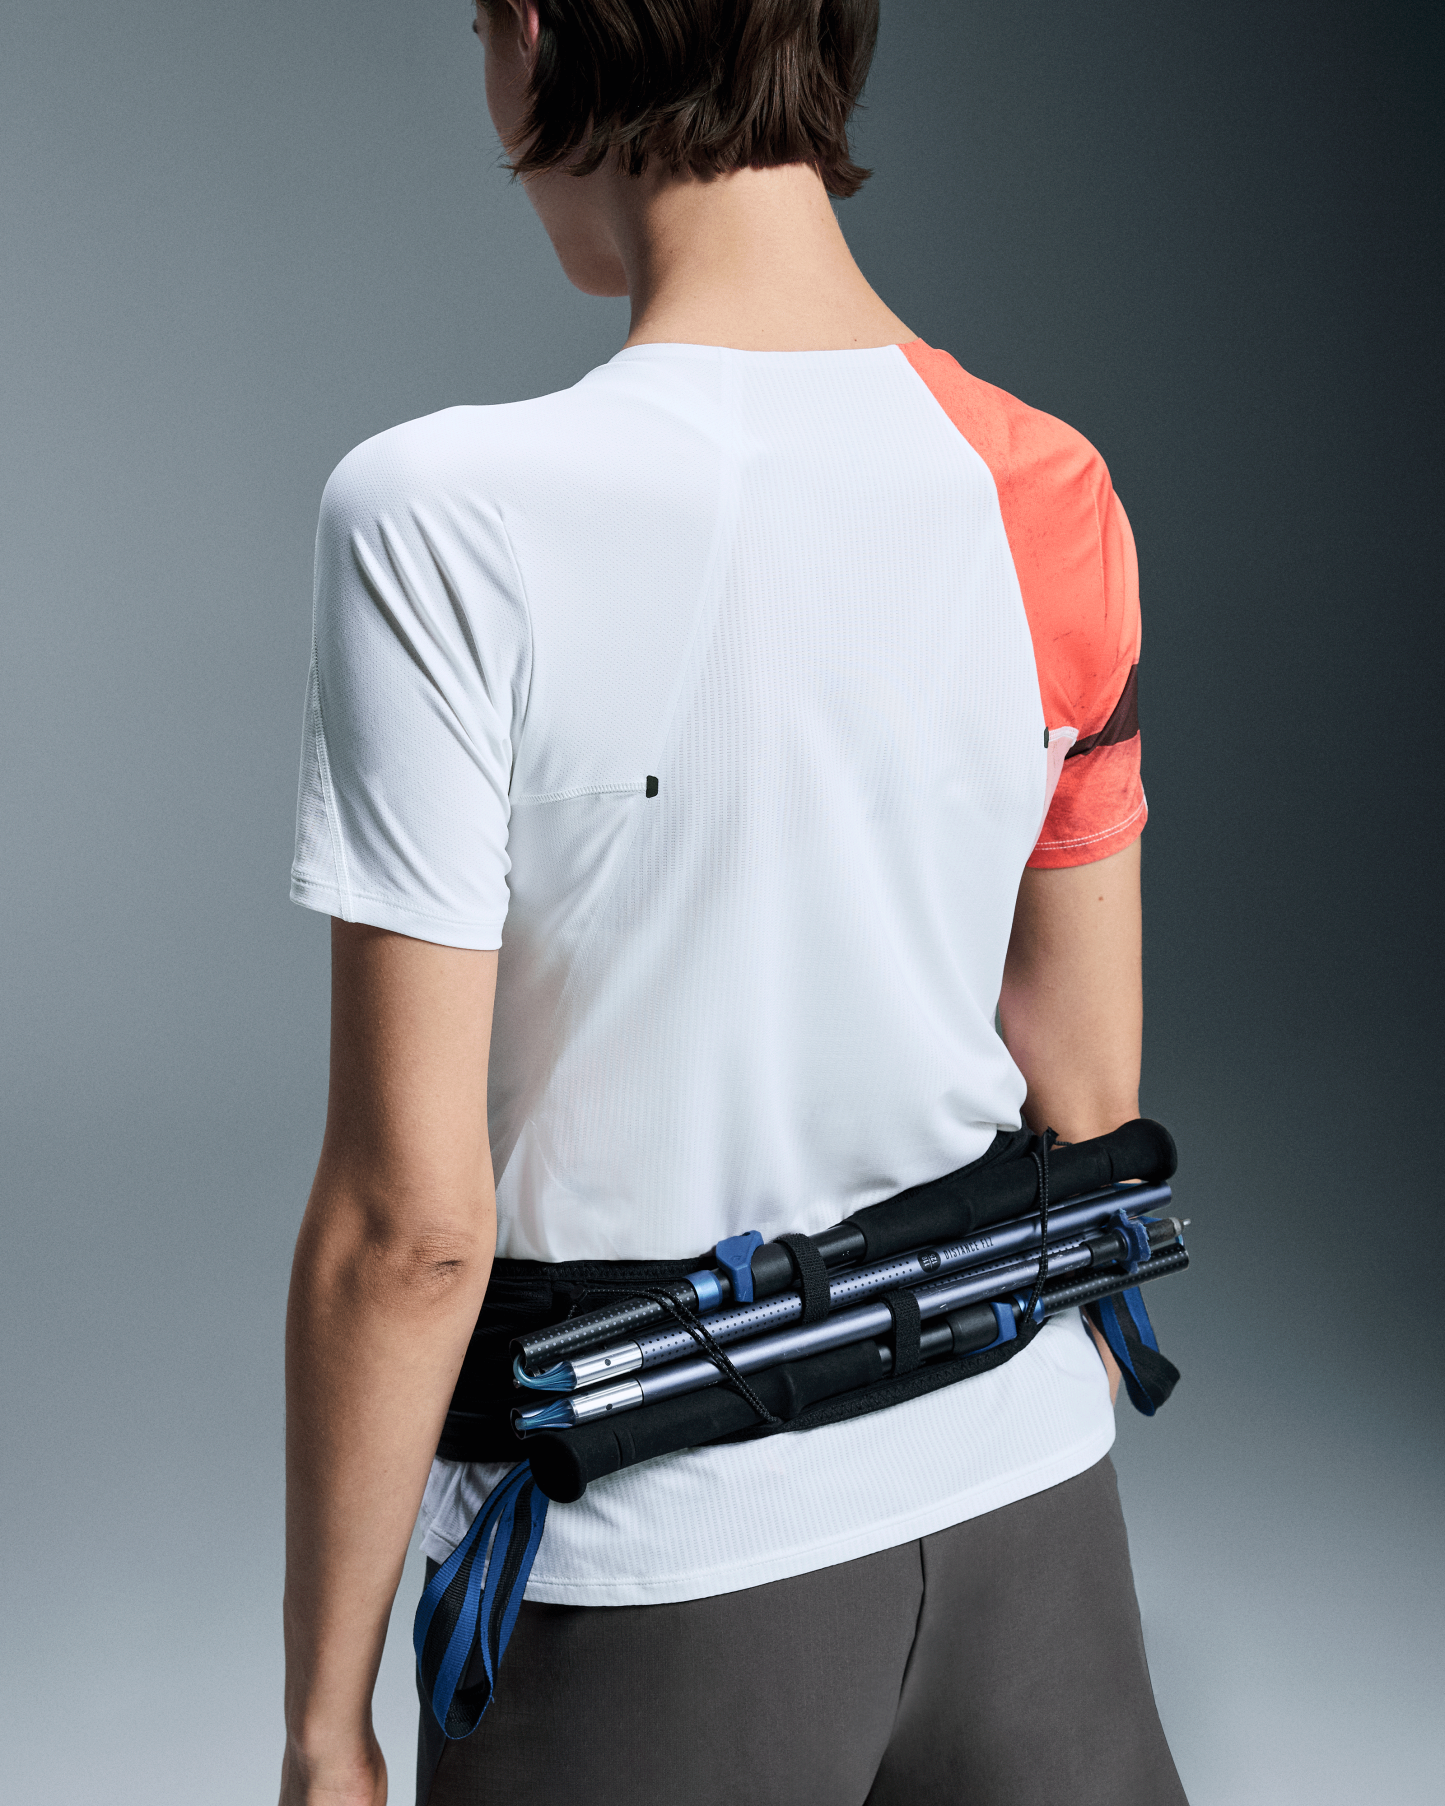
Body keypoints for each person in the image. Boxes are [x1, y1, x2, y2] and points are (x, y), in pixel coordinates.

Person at [280, 2, 1186, 1802]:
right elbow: (1088, 1091)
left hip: (656, 1577)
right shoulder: (1050, 487)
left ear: (537, 34)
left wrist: (324, 1729)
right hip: (1027, 1528)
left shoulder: (440, 522)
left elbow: (413, 1231)